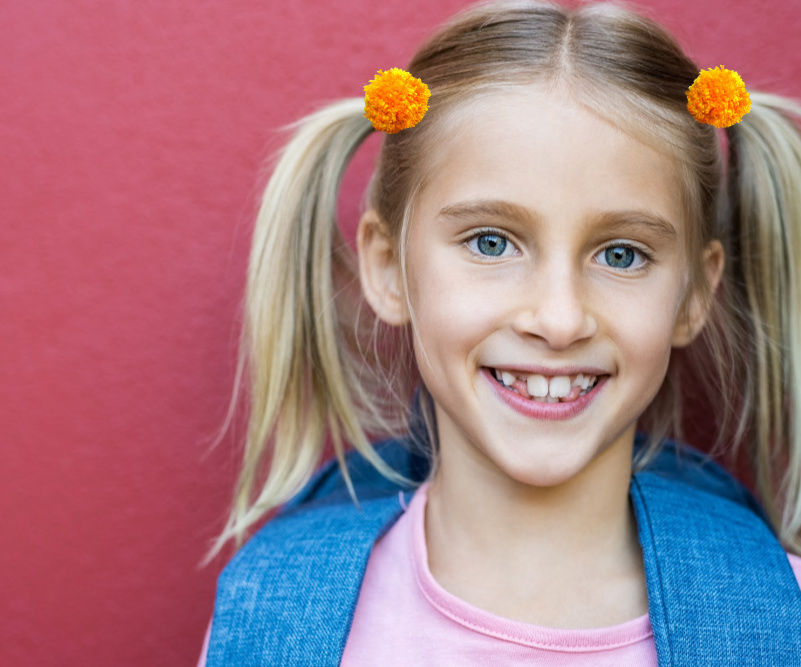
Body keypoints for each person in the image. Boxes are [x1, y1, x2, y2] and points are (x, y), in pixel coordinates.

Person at [198, 1, 801, 664]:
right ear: (385, 266)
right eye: (491, 242)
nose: (558, 318)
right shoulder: (272, 621)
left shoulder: (782, 619)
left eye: (621, 254)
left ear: (692, 293)